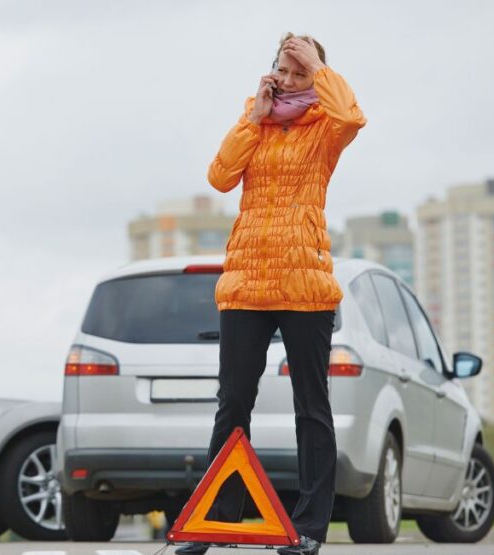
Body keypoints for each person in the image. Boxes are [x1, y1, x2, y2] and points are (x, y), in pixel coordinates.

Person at [176, 33, 365, 555]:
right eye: (283, 68)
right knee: (232, 403)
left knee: (312, 407)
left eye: (300, 72)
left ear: (318, 78)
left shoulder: (327, 126)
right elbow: (219, 178)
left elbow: (353, 117)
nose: (287, 79)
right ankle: (219, 522)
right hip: (245, 282)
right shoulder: (253, 120)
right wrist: (252, 119)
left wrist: (319, 70)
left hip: (305, 285)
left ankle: (308, 529)